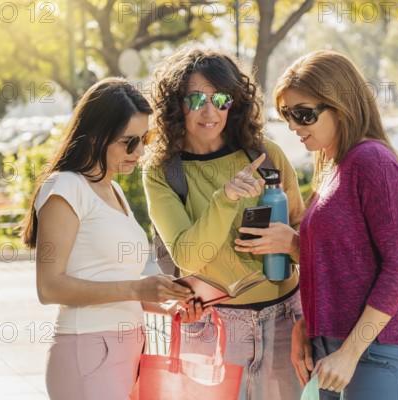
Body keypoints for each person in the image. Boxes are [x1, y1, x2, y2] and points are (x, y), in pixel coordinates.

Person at [238, 50, 398, 399]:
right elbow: (348, 261)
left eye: (304, 115)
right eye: (287, 115)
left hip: (379, 355)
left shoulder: (372, 161)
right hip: (334, 351)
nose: (294, 126)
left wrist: (349, 353)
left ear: (340, 104)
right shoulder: (334, 167)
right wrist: (309, 324)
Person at [20, 77, 204, 400]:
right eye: (128, 141)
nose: (141, 151)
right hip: (88, 349)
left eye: (144, 138)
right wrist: (138, 288)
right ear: (95, 134)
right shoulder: (64, 187)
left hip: (129, 349)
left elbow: (114, 283)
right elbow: (48, 288)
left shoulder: (112, 188)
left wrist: (168, 303)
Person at [143, 45, 305, 400]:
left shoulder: (266, 154)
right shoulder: (162, 171)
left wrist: (290, 243)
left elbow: (306, 236)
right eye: (196, 100)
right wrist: (225, 198)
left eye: (221, 98)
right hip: (211, 328)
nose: (210, 112)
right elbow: (188, 256)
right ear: (175, 105)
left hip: (285, 320)